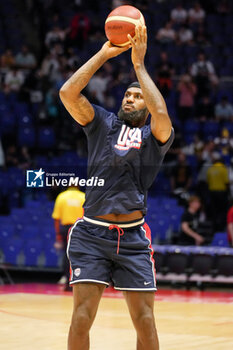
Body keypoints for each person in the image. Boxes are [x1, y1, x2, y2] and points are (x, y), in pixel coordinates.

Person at [59, 24, 174, 350]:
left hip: (134, 238)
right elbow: (67, 93)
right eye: (127, 93)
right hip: (91, 234)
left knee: (146, 323)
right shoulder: (102, 123)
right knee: (81, 316)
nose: (131, 98)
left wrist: (139, 65)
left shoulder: (154, 137)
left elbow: (162, 113)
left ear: (146, 103)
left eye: (138, 96)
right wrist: (105, 53)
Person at [52, 186, 85, 291]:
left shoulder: (62, 197)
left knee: (67, 255)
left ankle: (68, 282)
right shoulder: (83, 197)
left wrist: (58, 234)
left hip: (66, 229)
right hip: (80, 228)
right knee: (80, 255)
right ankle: (80, 281)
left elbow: (56, 218)